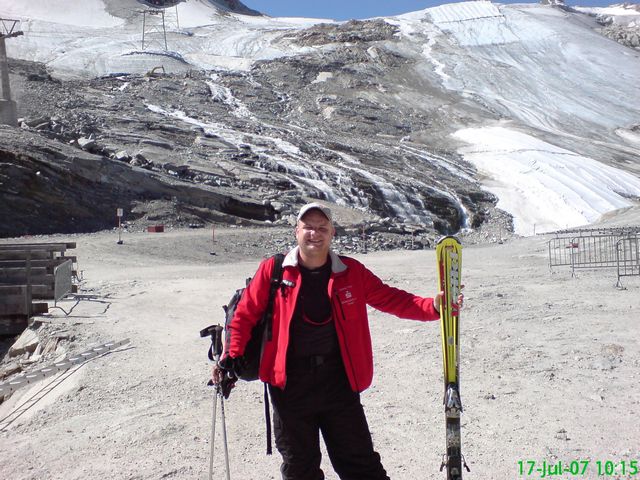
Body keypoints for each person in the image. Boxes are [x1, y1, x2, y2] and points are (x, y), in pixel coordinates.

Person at [214, 202, 462, 480]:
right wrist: (231, 355)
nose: (315, 233)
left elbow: (391, 299)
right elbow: (245, 314)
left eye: (322, 228)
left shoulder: (351, 271)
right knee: (300, 469)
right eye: (308, 227)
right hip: (289, 387)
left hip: (338, 383)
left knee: (361, 466)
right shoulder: (274, 270)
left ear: (332, 233)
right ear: (296, 231)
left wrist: (433, 307)